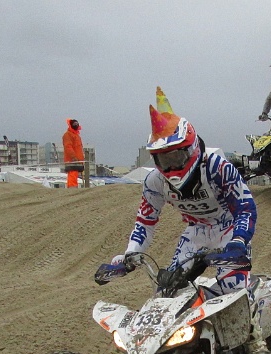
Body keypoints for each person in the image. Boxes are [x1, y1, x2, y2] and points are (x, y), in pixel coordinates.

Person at [107, 87, 257, 295]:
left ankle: (254, 323)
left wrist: (239, 240)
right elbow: (145, 222)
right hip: (195, 233)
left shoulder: (217, 168)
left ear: (191, 148)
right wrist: (131, 254)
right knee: (166, 291)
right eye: (163, 159)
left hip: (228, 230)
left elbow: (245, 209)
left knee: (235, 290)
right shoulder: (155, 182)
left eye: (175, 157)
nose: (171, 166)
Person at [62, 118, 84, 188]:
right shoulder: (68, 135)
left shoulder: (77, 135)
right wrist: (73, 157)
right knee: (72, 175)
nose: (76, 125)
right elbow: (68, 147)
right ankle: (72, 190)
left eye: (77, 124)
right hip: (72, 160)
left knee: (75, 176)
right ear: (71, 125)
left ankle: (74, 188)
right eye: (74, 124)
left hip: (78, 160)